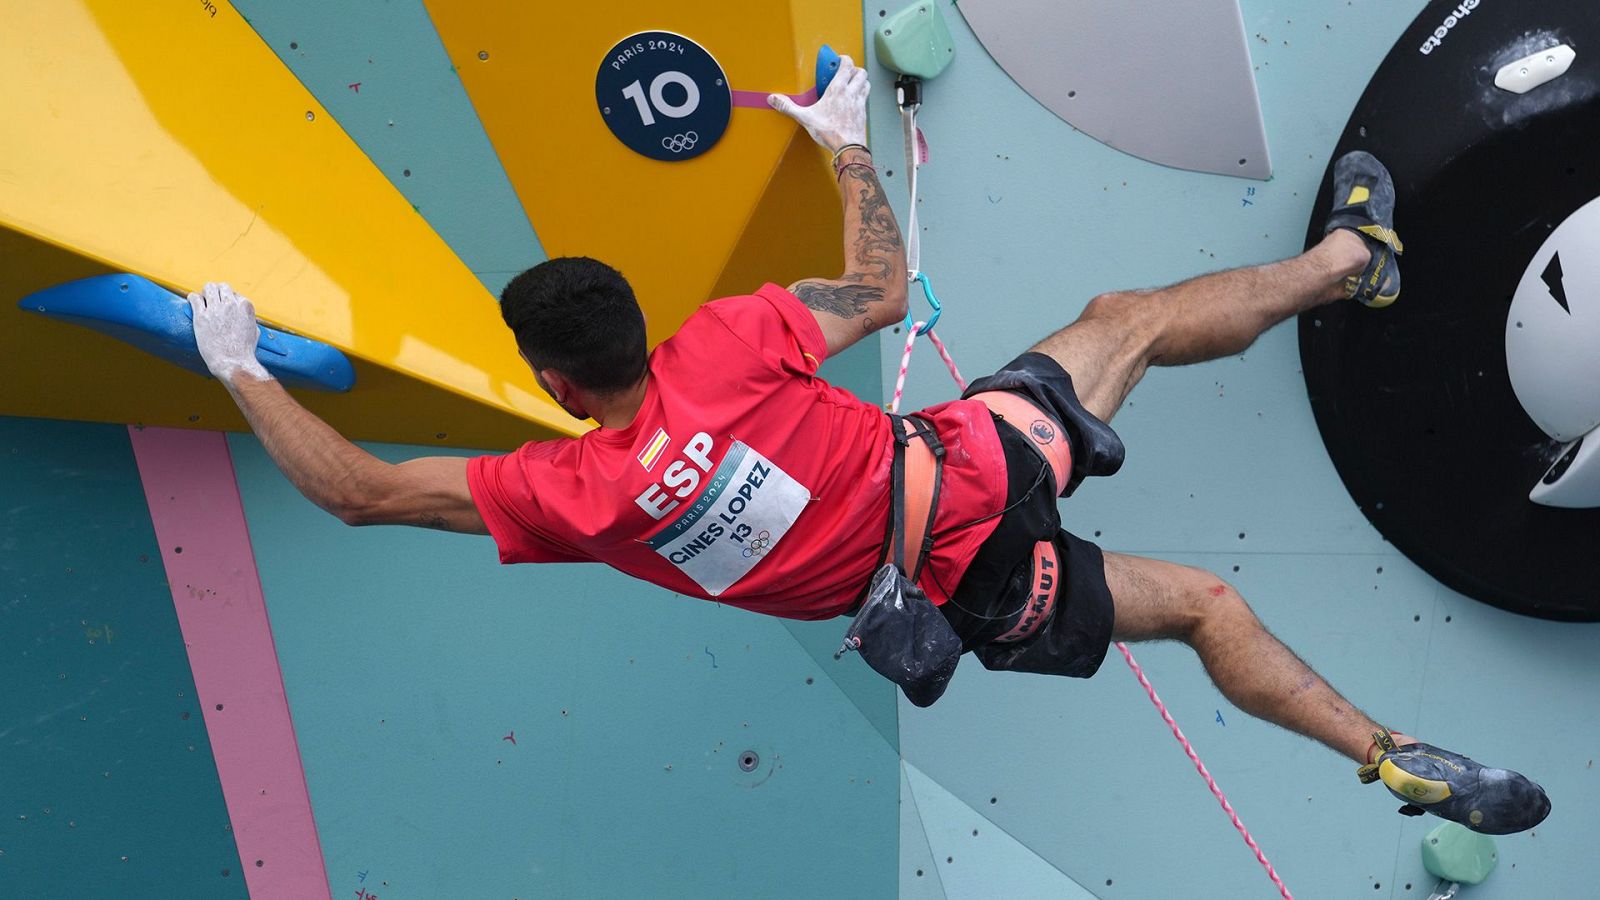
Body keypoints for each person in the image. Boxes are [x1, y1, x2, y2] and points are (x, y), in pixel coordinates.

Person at [188, 56, 1549, 835]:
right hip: (978, 465)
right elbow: (883, 289)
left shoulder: (571, 494)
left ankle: (1385, 754)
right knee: (1125, 325)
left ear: (550, 379)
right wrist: (843, 145)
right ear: (637, 334)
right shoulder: (722, 344)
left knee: (1206, 610)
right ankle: (1344, 261)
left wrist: (239, 365)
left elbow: (361, 494)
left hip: (969, 599)